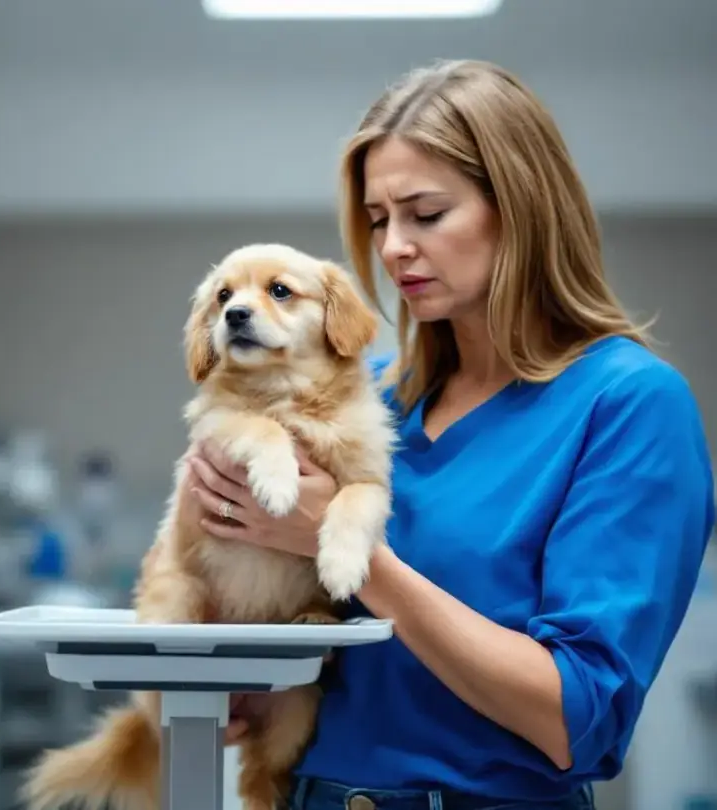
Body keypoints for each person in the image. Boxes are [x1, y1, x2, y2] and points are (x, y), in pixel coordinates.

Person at [182, 58, 716, 810]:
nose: (394, 246)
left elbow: (576, 719)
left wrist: (351, 551)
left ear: (521, 208)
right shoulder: (370, 399)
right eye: (378, 220)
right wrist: (243, 674)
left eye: (426, 214)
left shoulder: (627, 407)